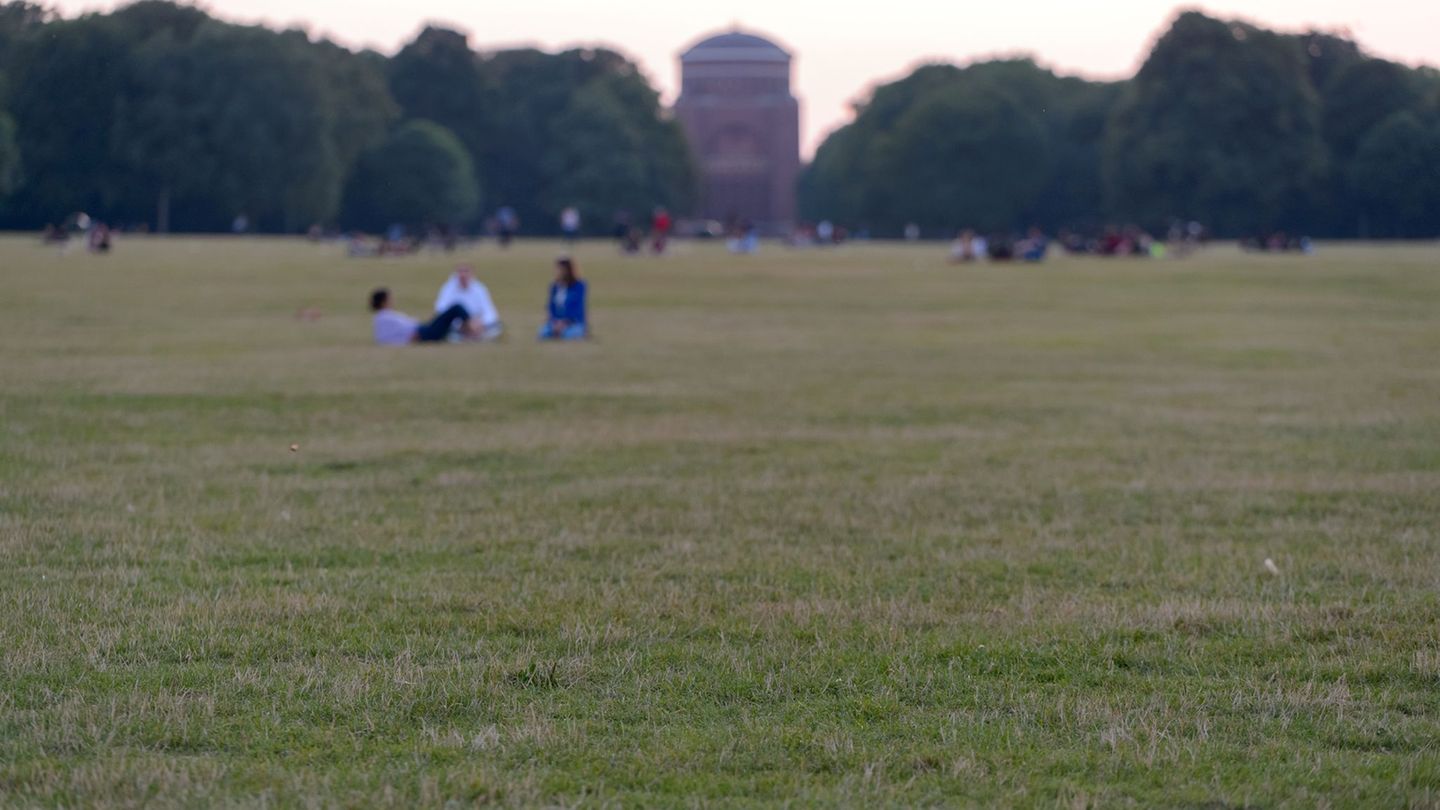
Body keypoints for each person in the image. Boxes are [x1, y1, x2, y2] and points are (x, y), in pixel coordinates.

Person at [370, 287, 474, 345]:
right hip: (421, 334)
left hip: (421, 330)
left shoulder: (385, 316)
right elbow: (384, 339)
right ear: (383, 302)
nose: (392, 301)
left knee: (448, 320)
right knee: (456, 308)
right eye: (390, 299)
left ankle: (470, 331)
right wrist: (409, 339)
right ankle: (473, 330)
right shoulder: (383, 317)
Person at [434, 265, 503, 341]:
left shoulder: (480, 289)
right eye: (460, 271)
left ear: (471, 274)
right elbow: (441, 311)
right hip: (458, 326)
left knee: (497, 327)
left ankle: (474, 335)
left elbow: (490, 311)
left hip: (478, 324)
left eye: (466, 271)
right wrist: (461, 325)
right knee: (448, 332)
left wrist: (480, 323)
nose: (463, 275)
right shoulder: (448, 288)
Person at [538, 257, 588, 341]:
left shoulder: (579, 286)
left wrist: (565, 322)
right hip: (555, 323)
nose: (558, 272)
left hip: (573, 323)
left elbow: (578, 308)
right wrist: (555, 322)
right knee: (543, 333)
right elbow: (551, 308)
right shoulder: (554, 287)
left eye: (561, 269)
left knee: (569, 335)